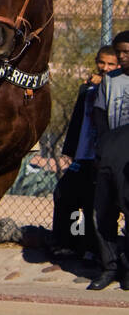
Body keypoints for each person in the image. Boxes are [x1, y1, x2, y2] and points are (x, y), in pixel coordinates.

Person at [53, 46, 118, 256]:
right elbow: (77, 121)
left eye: (111, 64)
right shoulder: (87, 88)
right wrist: (70, 151)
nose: (105, 68)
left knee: (94, 205)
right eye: (102, 63)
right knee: (64, 194)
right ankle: (67, 244)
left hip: (104, 157)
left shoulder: (117, 87)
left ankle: (93, 249)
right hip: (83, 155)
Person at [88, 31, 129, 290]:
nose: (122, 56)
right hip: (112, 148)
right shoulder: (110, 80)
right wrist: (102, 148)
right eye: (119, 52)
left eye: (127, 52)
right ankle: (110, 266)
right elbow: (100, 115)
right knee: (102, 210)